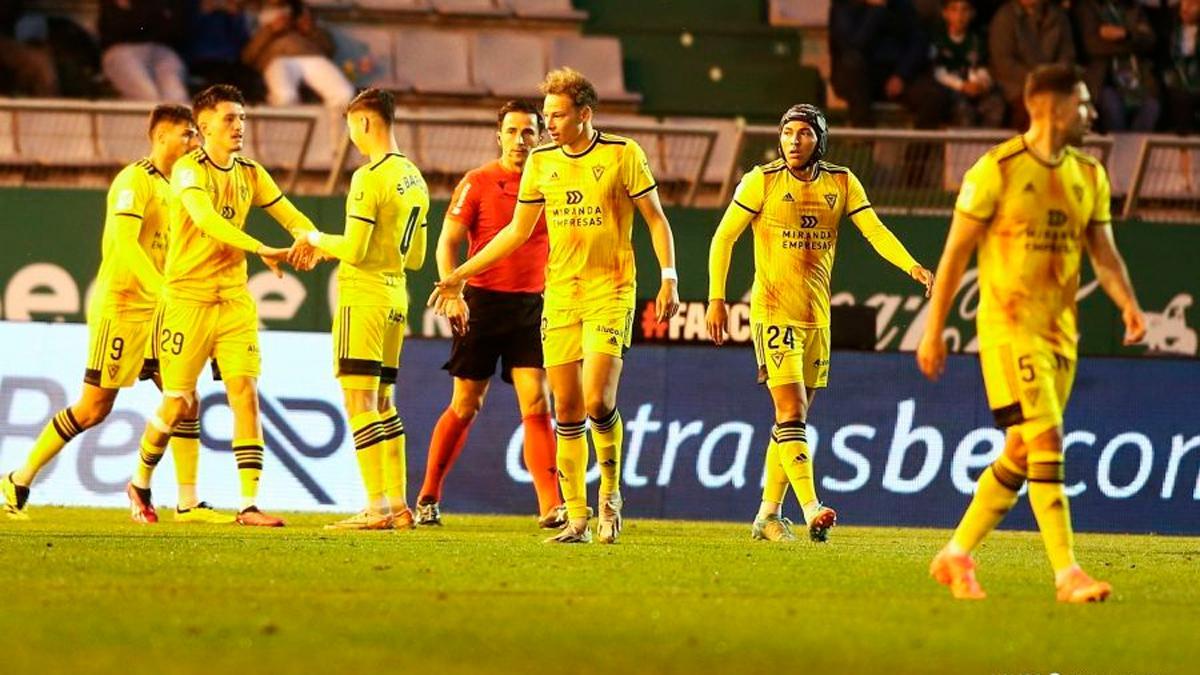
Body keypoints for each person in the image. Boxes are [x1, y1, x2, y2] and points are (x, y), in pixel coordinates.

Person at [917, 64, 1147, 602]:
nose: (1092, 113)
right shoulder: (995, 170)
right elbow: (953, 255)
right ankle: (1068, 573)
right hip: (1007, 329)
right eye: (1084, 104)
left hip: (1059, 335)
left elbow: (1104, 253)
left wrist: (1130, 306)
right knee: (1046, 439)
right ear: (1052, 106)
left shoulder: (1089, 176)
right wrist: (934, 329)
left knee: (1022, 450)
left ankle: (956, 554)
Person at [432, 67, 680, 545]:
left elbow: (656, 220)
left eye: (557, 115)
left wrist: (668, 278)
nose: (548, 124)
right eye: (545, 115)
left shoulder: (623, 154)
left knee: (597, 401)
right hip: (561, 295)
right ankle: (578, 517)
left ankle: (610, 497)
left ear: (584, 115)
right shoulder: (541, 162)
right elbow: (516, 232)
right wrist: (460, 274)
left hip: (610, 290)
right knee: (564, 407)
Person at [706, 104, 934, 544]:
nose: (794, 140)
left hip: (817, 320)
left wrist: (913, 268)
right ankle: (811, 508)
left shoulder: (842, 182)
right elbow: (722, 237)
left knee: (792, 420)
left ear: (820, 140)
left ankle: (767, 516)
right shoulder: (762, 180)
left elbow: (875, 231)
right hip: (773, 313)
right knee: (790, 411)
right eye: (787, 132)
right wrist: (717, 298)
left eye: (804, 133)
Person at [1, 105, 232, 523]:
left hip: (162, 311)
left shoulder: (182, 186)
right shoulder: (134, 180)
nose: (194, 143)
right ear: (160, 138)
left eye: (196, 136)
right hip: (124, 305)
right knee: (94, 408)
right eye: (186, 135)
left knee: (184, 399)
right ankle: (18, 477)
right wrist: (160, 287)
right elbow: (126, 244)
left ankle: (187, 502)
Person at [125, 84, 318, 527]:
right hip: (187, 299)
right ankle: (139, 482)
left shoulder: (251, 172)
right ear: (205, 125)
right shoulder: (188, 170)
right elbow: (207, 221)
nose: (239, 127)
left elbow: (292, 217)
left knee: (245, 393)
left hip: (233, 301)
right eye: (230, 119)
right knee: (178, 402)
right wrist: (260, 248)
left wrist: (316, 240)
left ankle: (248, 503)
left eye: (243, 119)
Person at [415, 101, 563, 529]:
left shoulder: (551, 185)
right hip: (480, 301)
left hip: (532, 306)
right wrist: (453, 290)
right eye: (513, 131)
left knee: (537, 400)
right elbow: (447, 243)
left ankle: (550, 506)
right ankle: (428, 495)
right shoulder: (477, 182)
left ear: (541, 137)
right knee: (466, 403)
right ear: (498, 135)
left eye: (530, 132)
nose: (521, 140)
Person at [291, 88, 428, 531]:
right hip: (395, 297)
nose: (350, 133)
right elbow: (417, 257)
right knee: (385, 402)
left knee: (359, 401)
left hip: (364, 297)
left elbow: (353, 247)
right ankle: (398, 505)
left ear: (364, 122)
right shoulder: (414, 177)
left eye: (350, 124)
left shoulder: (369, 177)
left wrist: (313, 239)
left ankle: (375, 507)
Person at [829, 0, 946, 128]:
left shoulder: (902, 5)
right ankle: (864, 137)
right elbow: (853, 46)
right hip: (860, 77)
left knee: (933, 96)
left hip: (895, 76)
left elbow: (918, 43)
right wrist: (876, 11)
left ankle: (916, 147)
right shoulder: (845, 5)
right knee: (852, 63)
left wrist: (901, 75)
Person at [1073, 0, 1161, 132]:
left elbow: (1150, 40)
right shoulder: (1088, 7)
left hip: (1138, 78)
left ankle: (1134, 150)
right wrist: (1133, 42)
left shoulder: (1134, 8)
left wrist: (1125, 34)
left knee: (1152, 106)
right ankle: (1121, 150)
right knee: (1112, 105)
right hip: (1104, 80)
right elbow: (1092, 45)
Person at [989, 0, 1077, 129]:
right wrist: (1036, 79)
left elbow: (1067, 55)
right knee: (1034, 110)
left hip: (1053, 83)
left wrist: (1053, 77)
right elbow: (1003, 62)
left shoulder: (1058, 16)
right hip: (1015, 83)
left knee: (1073, 108)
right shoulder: (1005, 16)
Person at [931, 0, 1007, 126]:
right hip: (950, 89)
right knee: (963, 110)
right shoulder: (938, 38)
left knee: (995, 105)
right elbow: (937, 72)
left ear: (972, 13)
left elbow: (982, 67)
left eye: (964, 10)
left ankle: (990, 145)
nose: (959, 16)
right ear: (945, 13)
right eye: (954, 10)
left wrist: (980, 83)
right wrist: (961, 85)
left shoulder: (977, 39)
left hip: (974, 88)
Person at [99, 0, 189, 103]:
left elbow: (176, 29)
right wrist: (155, 18)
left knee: (177, 98)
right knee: (147, 96)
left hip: (163, 51)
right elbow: (116, 29)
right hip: (122, 50)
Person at [1161, 0, 1200, 133]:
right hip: (1176, 80)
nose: (1185, 9)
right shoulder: (1170, 28)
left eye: (1192, 4)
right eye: (1183, 4)